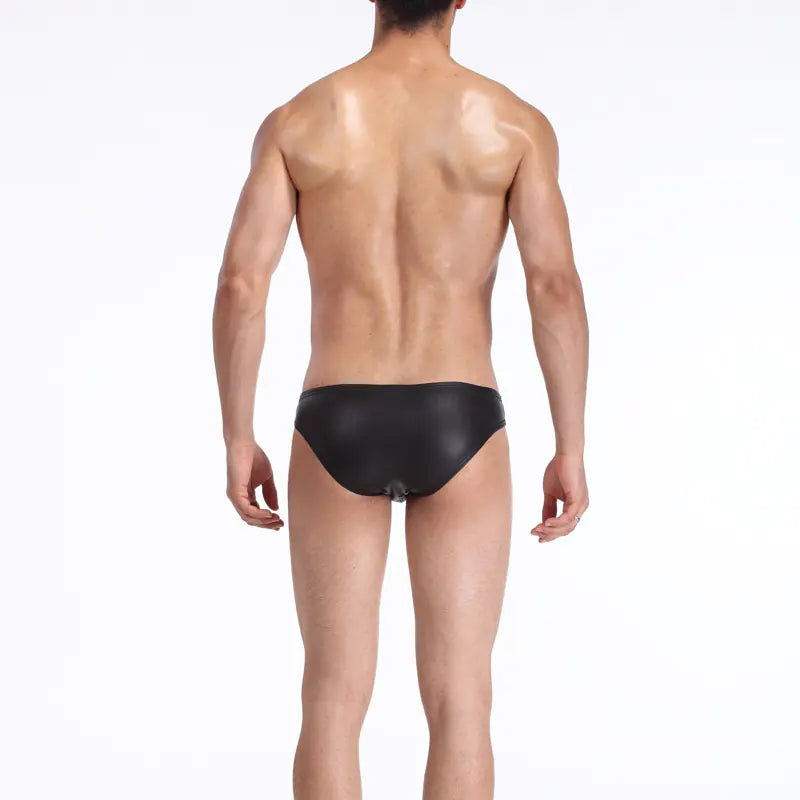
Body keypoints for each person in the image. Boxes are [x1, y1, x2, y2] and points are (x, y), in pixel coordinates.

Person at [212, 1, 589, 797]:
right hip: (461, 415)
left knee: (330, 696)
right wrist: (571, 445)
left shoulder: (300, 120)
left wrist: (237, 435)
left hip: (335, 414)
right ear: (461, 1)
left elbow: (243, 283)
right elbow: (553, 286)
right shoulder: (513, 125)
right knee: (461, 702)